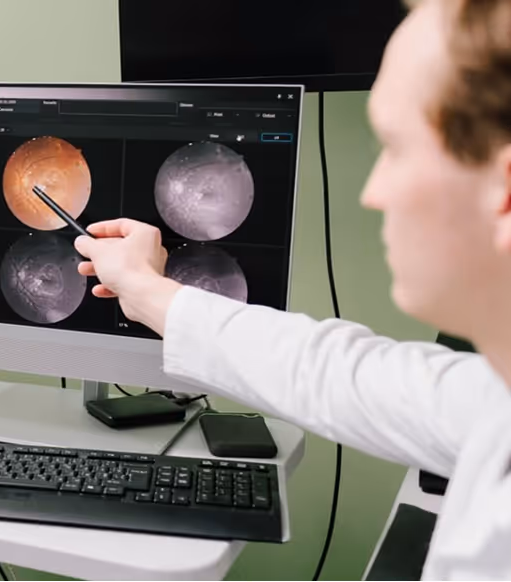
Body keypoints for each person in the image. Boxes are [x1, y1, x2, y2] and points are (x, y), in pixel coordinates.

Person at [74, 0, 511, 578]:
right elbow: (334, 371)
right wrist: (146, 290)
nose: (373, 193)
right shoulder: (493, 400)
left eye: (397, 148)